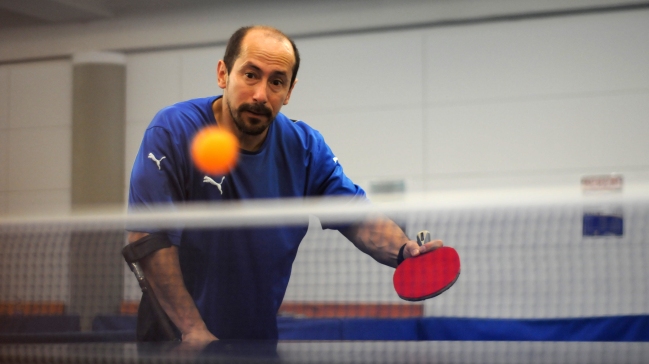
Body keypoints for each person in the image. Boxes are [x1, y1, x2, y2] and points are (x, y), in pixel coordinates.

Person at [127, 25, 443, 344]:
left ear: (289, 91)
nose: (261, 94)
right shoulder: (174, 130)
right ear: (223, 74)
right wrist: (192, 330)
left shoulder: (304, 147)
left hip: (255, 340)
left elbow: (357, 217)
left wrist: (405, 250)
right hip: (175, 340)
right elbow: (149, 240)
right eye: (250, 75)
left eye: (276, 81)